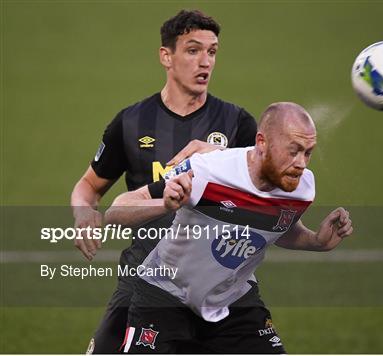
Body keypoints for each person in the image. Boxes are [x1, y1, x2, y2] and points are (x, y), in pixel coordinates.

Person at [70, 9, 258, 354]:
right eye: (193, 50)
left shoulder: (237, 124)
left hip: (215, 285)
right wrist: (83, 212)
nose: (205, 62)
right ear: (166, 56)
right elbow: (89, 187)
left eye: (212, 52)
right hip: (142, 280)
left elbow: (264, 194)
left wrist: (218, 162)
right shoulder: (131, 122)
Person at [105, 102, 354, 353]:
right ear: (262, 143)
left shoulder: (301, 189)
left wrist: (316, 241)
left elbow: (277, 227)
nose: (301, 163)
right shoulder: (208, 170)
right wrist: (165, 205)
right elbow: (116, 212)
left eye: (308, 152)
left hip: (233, 303)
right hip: (164, 297)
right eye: (293, 151)